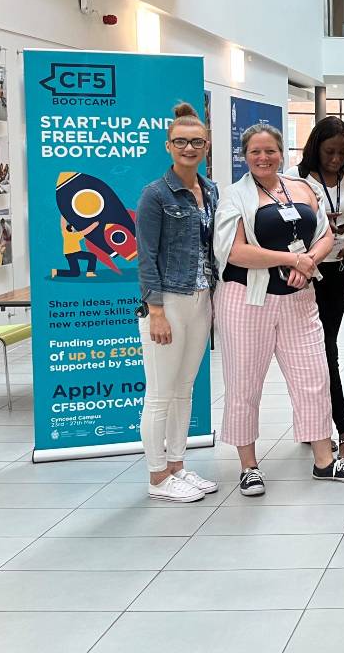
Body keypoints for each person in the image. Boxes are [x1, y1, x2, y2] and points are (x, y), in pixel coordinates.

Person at [215, 124, 344, 496]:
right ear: (244, 155)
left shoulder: (301, 188)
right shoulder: (235, 196)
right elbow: (234, 252)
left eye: (270, 151)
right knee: (245, 384)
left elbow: (326, 233)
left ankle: (324, 461)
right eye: (255, 152)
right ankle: (248, 465)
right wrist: (291, 260)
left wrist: (309, 261)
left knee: (314, 378)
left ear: (282, 153)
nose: (263, 158)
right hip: (248, 301)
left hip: (299, 300)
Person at [135, 103, 218, 502]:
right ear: (168, 146)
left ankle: (177, 466)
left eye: (196, 142)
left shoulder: (211, 190)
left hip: (201, 300)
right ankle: (157, 477)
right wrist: (156, 311)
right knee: (160, 394)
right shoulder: (155, 194)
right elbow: (146, 255)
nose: (189, 148)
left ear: (207, 145)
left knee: (184, 389)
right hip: (167, 302)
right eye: (181, 142)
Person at [298, 117, 344, 466]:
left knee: (325, 349)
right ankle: (342, 426)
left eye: (343, 152)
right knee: (320, 351)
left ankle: (317, 425)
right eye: (329, 152)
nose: (336, 158)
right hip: (309, 273)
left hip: (340, 271)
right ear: (315, 148)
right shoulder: (297, 179)